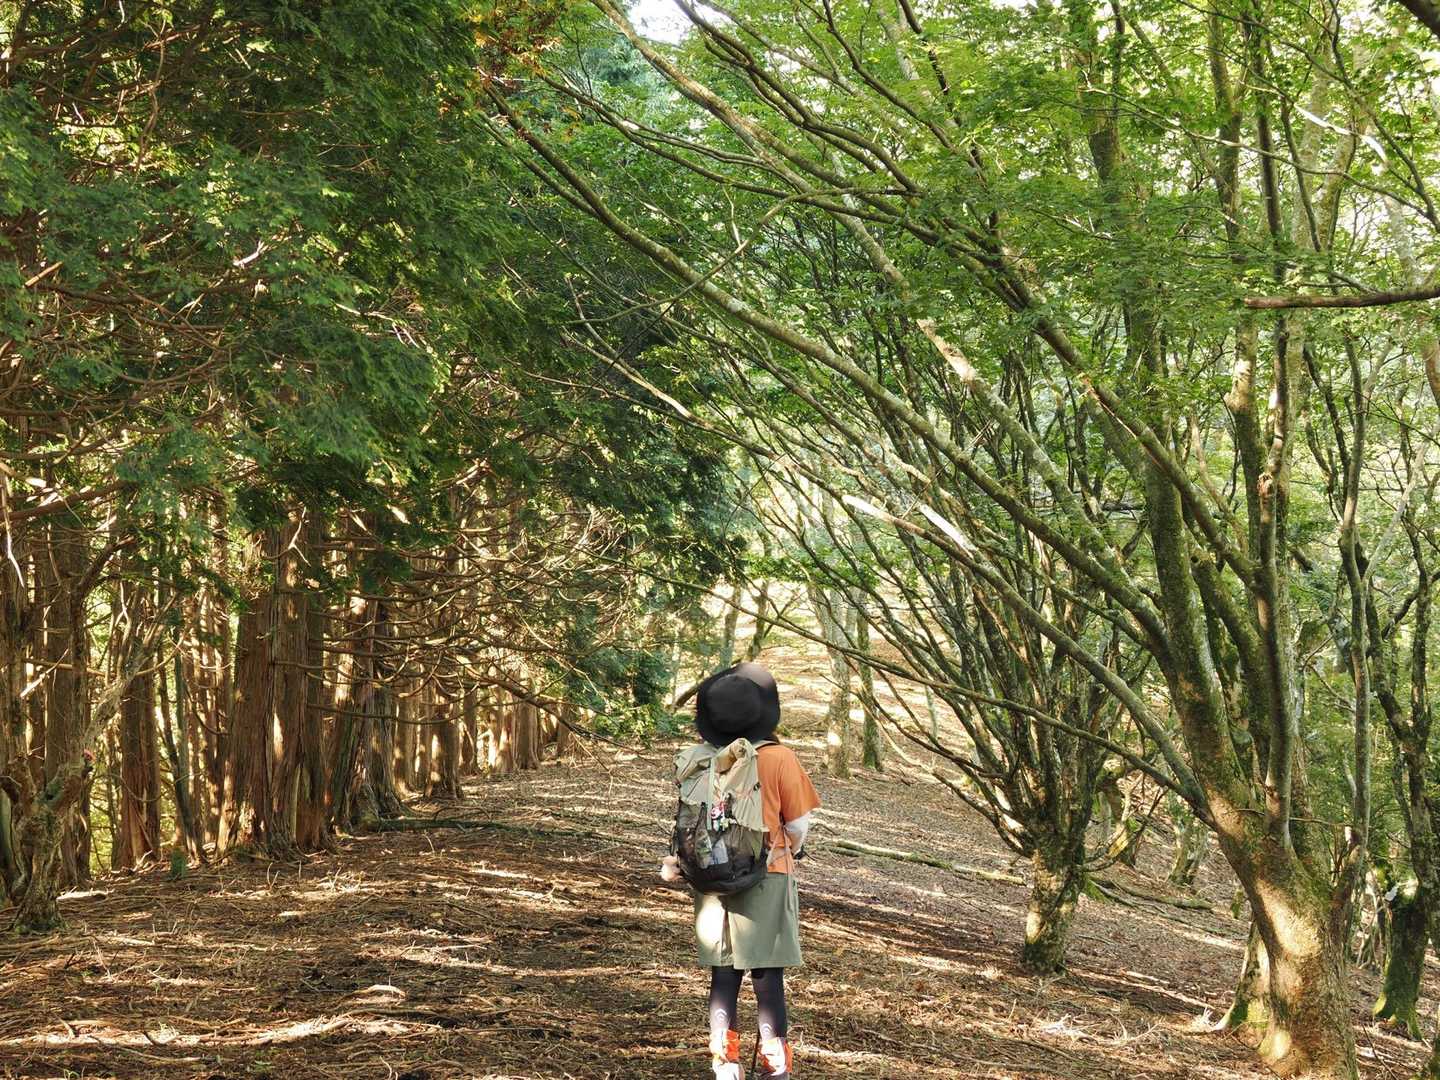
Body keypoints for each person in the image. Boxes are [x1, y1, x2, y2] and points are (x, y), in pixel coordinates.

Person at [660, 662, 822, 1080]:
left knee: (723, 975)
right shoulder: (779, 757)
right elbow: (797, 825)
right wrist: (791, 850)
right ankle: (775, 1068)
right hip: (768, 872)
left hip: (710, 876)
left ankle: (725, 1065)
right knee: (767, 977)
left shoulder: (701, 758)